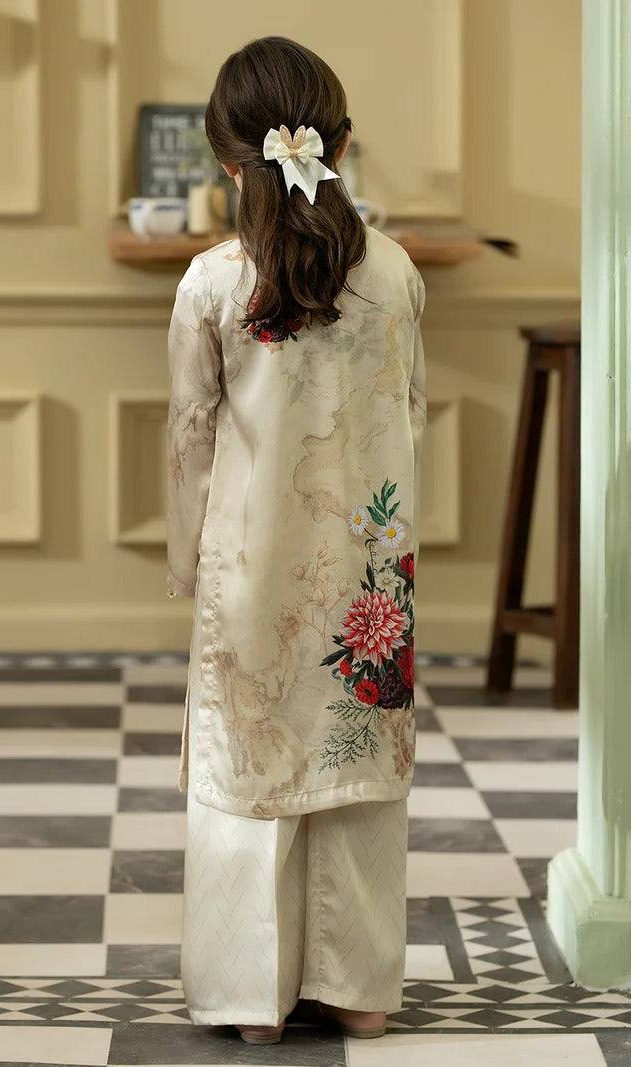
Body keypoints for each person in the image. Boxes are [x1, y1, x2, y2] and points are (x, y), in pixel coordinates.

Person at [165, 36, 426, 1045]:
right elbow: (408, 410)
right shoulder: (394, 272)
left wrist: (185, 559)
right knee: (354, 761)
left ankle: (251, 999)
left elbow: (191, 435)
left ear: (228, 163)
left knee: (251, 762)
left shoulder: (212, 281)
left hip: (251, 570)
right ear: (339, 144)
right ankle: (359, 989)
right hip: (369, 575)